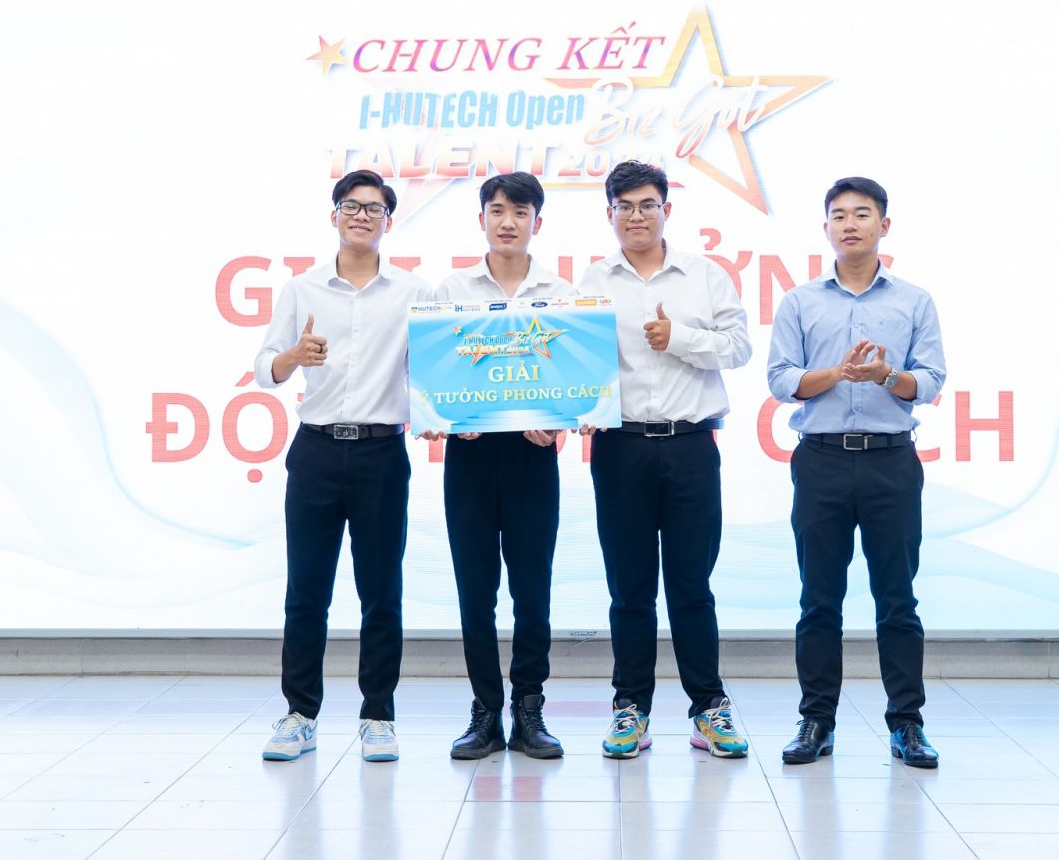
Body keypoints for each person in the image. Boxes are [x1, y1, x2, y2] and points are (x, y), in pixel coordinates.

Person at [766, 176, 946, 769]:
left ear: (883, 226)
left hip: (891, 461)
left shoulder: (914, 301)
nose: (850, 224)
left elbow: (931, 382)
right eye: (839, 215)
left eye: (862, 214)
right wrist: (838, 374)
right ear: (826, 228)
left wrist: (886, 378)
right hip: (820, 460)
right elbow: (781, 380)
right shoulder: (800, 301)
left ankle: (907, 724)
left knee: (898, 601)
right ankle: (816, 721)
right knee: (819, 600)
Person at [253, 169, 432, 763]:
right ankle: (300, 715)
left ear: (388, 222)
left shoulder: (413, 292)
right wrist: (292, 356)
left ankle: (378, 715)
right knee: (306, 591)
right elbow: (265, 369)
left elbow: (435, 370)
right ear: (334, 216)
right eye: (351, 206)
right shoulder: (301, 289)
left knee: (382, 592)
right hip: (316, 451)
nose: (361, 216)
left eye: (373, 208)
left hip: (382, 452)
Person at [577, 160, 753, 760]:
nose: (636, 216)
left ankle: (709, 710)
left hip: (690, 446)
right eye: (624, 206)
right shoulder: (592, 281)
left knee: (691, 585)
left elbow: (738, 348)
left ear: (666, 210)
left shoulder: (705, 276)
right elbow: (572, 360)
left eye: (647, 204)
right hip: (620, 448)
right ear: (610, 214)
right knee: (629, 589)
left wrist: (679, 337)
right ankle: (631, 709)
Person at [429, 172, 576, 761]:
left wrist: (559, 420)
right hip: (469, 455)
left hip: (532, 455)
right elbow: (432, 369)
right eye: (497, 210)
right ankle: (485, 712)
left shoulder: (560, 293)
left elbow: (574, 375)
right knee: (475, 590)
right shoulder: (451, 289)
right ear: (482, 219)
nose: (508, 221)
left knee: (532, 589)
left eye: (520, 212)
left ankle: (529, 710)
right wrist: (445, 414)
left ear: (537, 222)